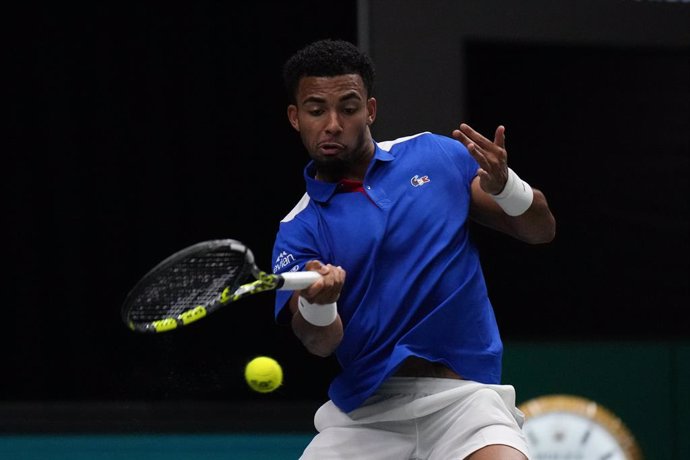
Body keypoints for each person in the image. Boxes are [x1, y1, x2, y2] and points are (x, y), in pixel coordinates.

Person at [271, 38, 556, 460]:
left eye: (348, 109)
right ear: (296, 118)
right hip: (368, 415)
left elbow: (539, 230)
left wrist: (507, 187)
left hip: (465, 402)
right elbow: (318, 342)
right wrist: (319, 304)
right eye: (316, 111)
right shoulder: (299, 229)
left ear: (370, 110)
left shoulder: (434, 155)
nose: (332, 124)